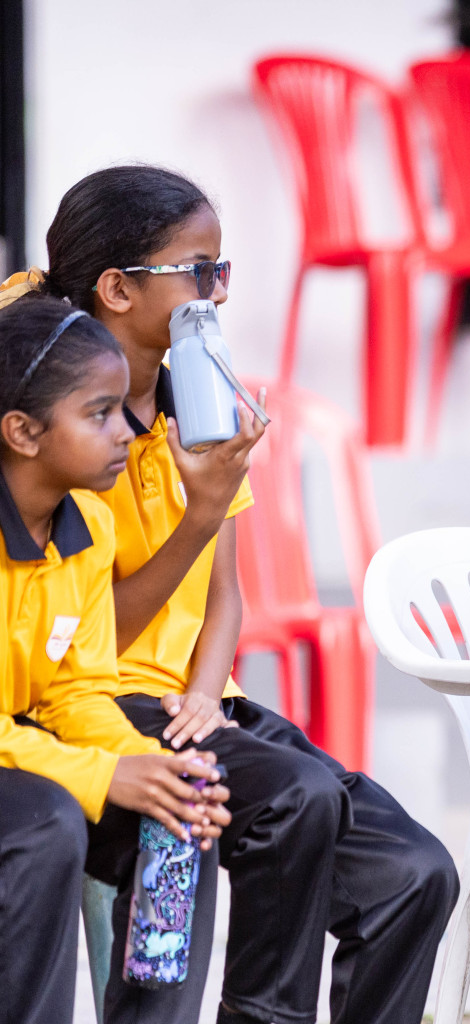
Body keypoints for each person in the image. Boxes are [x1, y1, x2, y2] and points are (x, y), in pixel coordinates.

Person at [29, 165, 459, 1024]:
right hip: (98, 703)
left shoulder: (200, 391)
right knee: (290, 799)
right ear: (117, 289)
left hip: (193, 700)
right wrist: (204, 508)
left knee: (416, 873)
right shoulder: (64, 423)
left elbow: (225, 593)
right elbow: (85, 641)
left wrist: (203, 692)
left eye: (221, 272)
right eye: (198, 272)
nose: (214, 296)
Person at [0, 294, 231, 1024]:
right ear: (24, 433)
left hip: (24, 756)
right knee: (48, 821)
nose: (127, 433)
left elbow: (78, 694)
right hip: (22, 776)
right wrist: (105, 775)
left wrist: (152, 770)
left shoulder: (87, 525)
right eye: (99, 415)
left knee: (178, 812)